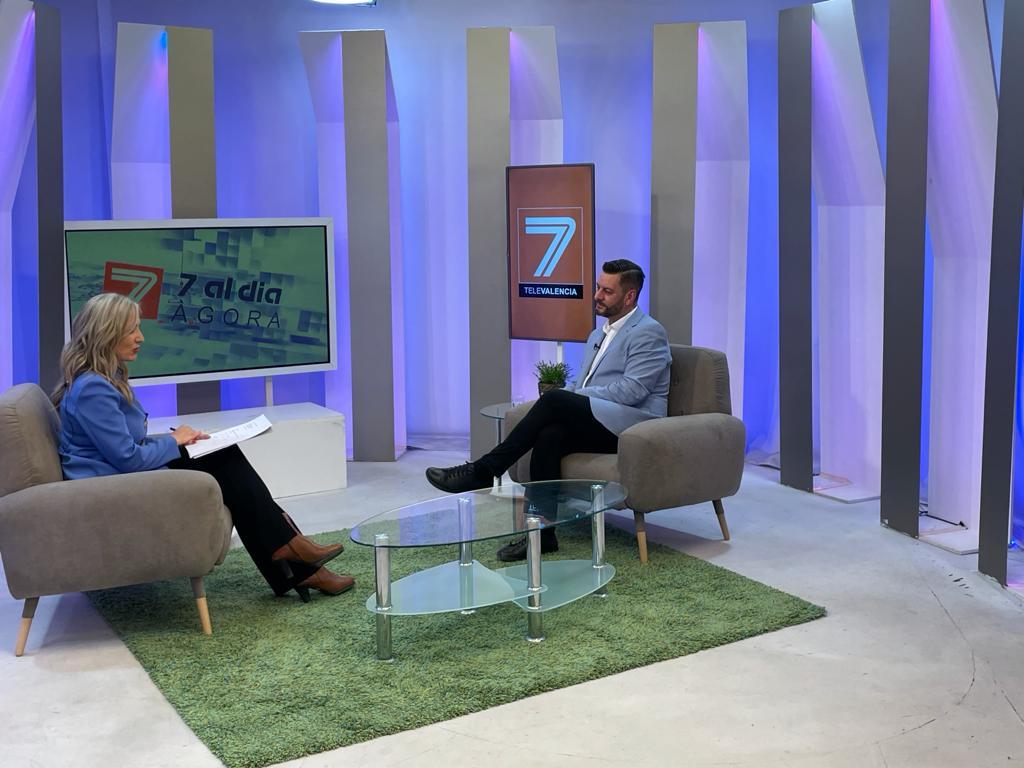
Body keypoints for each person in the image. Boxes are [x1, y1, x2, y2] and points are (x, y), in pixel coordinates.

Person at [53, 292, 354, 601]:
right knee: (225, 463)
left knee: (221, 454)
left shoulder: (105, 378)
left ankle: (294, 554)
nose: (140, 337)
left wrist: (180, 440)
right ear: (107, 334)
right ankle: (296, 555)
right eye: (132, 330)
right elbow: (128, 458)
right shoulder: (93, 389)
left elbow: (126, 446)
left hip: (120, 472)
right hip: (111, 485)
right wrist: (173, 440)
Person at [426, 259, 671, 561]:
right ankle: (541, 535)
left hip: (634, 428)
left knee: (555, 399)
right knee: (549, 436)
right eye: (598, 287)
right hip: (602, 420)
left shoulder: (648, 332)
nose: (597, 295)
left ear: (630, 296)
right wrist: (574, 394)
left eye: (607, 291)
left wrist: (573, 397)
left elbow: (633, 391)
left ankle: (484, 470)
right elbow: (585, 382)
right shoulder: (598, 335)